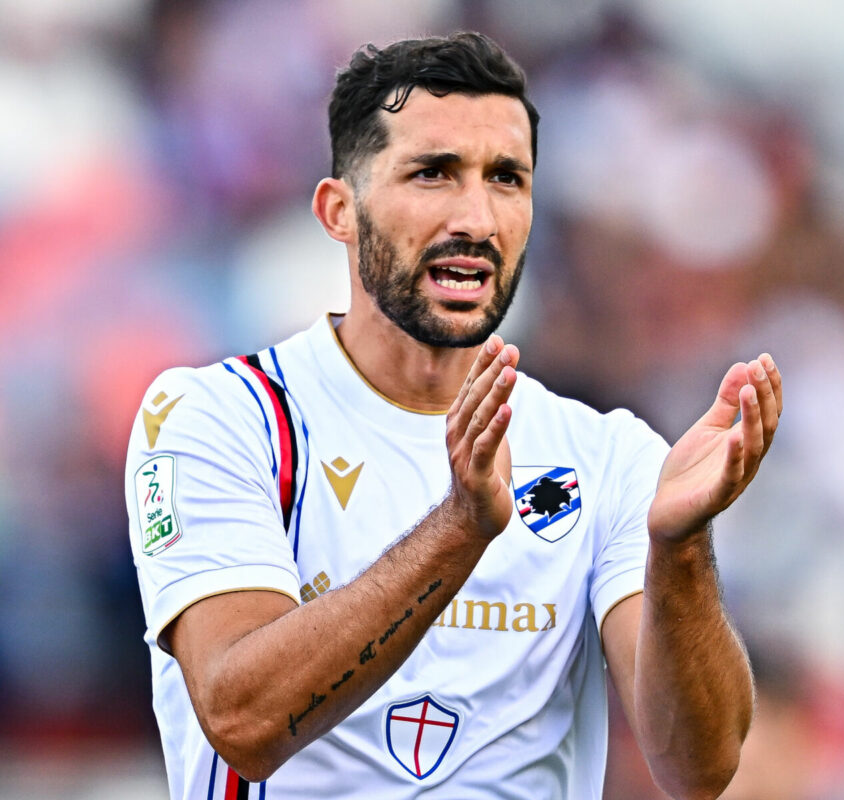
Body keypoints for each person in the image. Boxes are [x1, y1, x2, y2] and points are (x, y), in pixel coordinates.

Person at [125, 31, 782, 800]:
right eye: (432, 173)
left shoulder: (606, 455)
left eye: (506, 178)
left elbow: (698, 770)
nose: (477, 217)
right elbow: (243, 722)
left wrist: (680, 550)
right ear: (340, 211)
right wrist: (461, 528)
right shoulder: (219, 419)